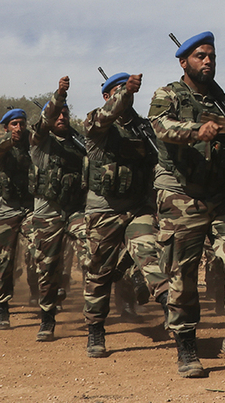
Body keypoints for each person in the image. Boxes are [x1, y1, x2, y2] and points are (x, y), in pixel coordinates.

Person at [147, 31, 225, 377]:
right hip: (181, 193)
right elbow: (161, 128)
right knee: (182, 272)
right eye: (200, 56)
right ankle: (186, 346)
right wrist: (196, 130)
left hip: (221, 194)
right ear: (184, 62)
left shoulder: (223, 102)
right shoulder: (168, 94)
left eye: (211, 56)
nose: (208, 61)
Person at [82, 72, 167, 358]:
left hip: (138, 207)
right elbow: (106, 116)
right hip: (104, 210)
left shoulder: (144, 127)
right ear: (108, 97)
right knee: (99, 272)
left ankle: (175, 314)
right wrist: (125, 94)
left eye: (127, 91)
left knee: (151, 253)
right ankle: (95, 330)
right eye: (118, 92)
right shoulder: (96, 123)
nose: (124, 97)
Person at [29, 78, 88, 342]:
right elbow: (45, 119)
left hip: (75, 211)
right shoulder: (40, 141)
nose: (62, 116)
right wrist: (60, 95)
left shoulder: (79, 144)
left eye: (66, 113)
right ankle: (47, 318)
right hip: (47, 214)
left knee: (94, 247)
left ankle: (94, 310)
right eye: (58, 113)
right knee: (48, 270)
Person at [0, 107, 37, 330]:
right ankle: (2, 308)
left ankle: (42, 297)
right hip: (4, 211)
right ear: (6, 127)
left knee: (41, 245)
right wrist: (10, 138)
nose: (19, 127)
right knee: (4, 262)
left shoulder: (31, 146)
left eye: (22, 123)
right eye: (14, 124)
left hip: (28, 208)